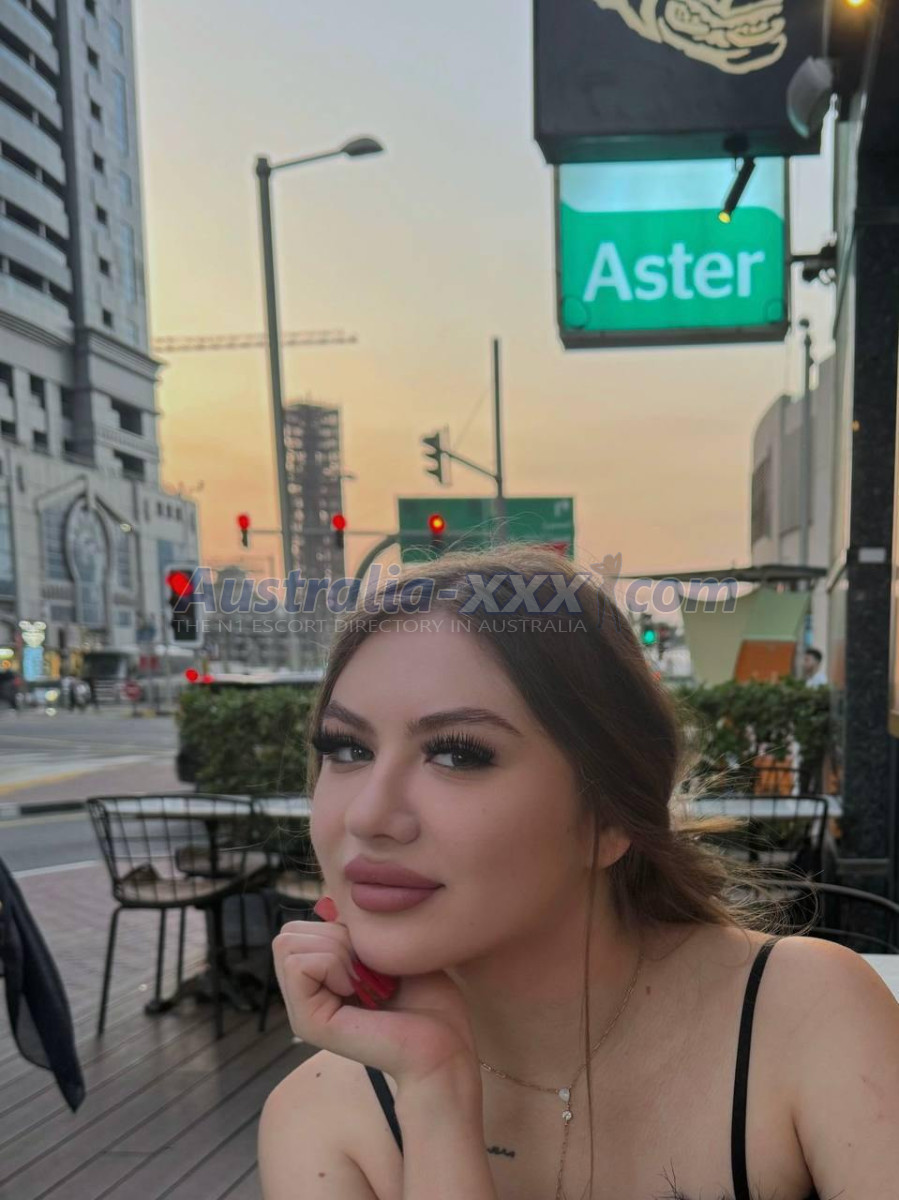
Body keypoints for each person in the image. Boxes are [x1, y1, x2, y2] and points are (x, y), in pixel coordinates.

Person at [258, 544, 899, 1200]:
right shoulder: (319, 1120)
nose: (368, 815)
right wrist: (434, 1094)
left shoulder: (806, 1018)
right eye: (346, 749)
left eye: (457, 755)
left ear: (610, 815)